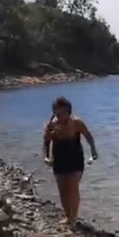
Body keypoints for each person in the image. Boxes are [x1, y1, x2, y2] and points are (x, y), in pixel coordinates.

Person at [43, 96, 98, 229]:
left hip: (75, 160)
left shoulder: (76, 122)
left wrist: (93, 150)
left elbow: (88, 136)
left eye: (63, 112)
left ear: (69, 111)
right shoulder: (51, 126)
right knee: (63, 190)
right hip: (59, 161)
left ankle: (74, 218)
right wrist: (46, 157)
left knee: (72, 189)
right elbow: (46, 143)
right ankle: (68, 217)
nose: (60, 115)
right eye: (57, 112)